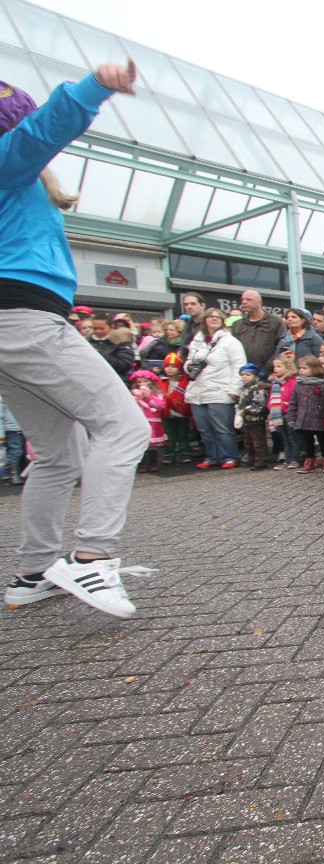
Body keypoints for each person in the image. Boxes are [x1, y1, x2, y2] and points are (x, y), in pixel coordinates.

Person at [0, 62, 149, 617]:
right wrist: (95, 87)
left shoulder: (23, 185)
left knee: (60, 454)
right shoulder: (9, 161)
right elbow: (40, 133)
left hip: (15, 326)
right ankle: (91, 558)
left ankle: (33, 572)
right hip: (24, 318)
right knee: (124, 426)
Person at [185, 308, 247, 470]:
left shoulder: (230, 341)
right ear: (204, 320)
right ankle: (212, 457)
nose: (214, 319)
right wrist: (189, 366)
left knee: (222, 428)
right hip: (198, 390)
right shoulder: (197, 340)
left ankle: (230, 456)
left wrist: (235, 390)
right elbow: (188, 361)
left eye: (217, 317)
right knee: (204, 428)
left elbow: (239, 366)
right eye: (210, 317)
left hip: (220, 389)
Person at [286, 355, 324, 474]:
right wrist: (291, 417)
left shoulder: (322, 384)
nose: (301, 370)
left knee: (323, 440)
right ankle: (309, 462)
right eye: (300, 368)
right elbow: (293, 402)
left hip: (319, 417)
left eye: (305, 368)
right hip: (304, 418)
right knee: (308, 441)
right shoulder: (298, 384)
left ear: (315, 369)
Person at [230, 290, 286, 371]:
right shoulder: (237, 325)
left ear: (259, 303)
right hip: (243, 373)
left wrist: (267, 370)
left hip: (268, 373)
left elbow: (281, 348)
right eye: (242, 299)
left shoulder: (276, 322)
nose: (244, 302)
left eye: (248, 299)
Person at [128, 370, 166, 474]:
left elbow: (160, 406)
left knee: (153, 444)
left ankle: (153, 462)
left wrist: (149, 397)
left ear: (151, 382)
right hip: (139, 421)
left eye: (145, 381)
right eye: (139, 382)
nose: (142, 384)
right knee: (141, 442)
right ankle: (142, 463)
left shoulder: (157, 393)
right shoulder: (134, 393)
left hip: (153, 421)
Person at [236, 363, 271, 471]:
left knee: (258, 442)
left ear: (255, 376)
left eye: (247, 375)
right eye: (242, 375)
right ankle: (251, 459)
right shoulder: (245, 388)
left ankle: (261, 461)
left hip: (256, 420)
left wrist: (244, 410)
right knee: (248, 442)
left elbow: (260, 405)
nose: (244, 377)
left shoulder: (258, 388)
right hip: (247, 420)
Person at [158, 353, 190, 464]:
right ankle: (169, 454)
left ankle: (185, 453)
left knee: (182, 434)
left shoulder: (183, 382)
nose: (170, 369)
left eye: (173, 367)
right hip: (166, 413)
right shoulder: (161, 382)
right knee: (169, 435)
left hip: (181, 413)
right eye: (167, 366)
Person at [267, 355, 298, 469]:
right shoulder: (275, 383)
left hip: (289, 414)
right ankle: (287, 459)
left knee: (293, 438)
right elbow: (271, 398)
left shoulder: (292, 382)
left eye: (279, 366)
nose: (275, 369)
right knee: (285, 439)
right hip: (277, 414)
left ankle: (295, 459)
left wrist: (284, 405)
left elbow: (293, 398)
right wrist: (271, 406)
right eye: (275, 366)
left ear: (288, 367)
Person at [88, 312, 135, 381]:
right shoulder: (86, 341)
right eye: (95, 328)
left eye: (101, 328)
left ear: (112, 327)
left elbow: (124, 365)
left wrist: (100, 353)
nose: (98, 331)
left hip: (113, 381)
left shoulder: (121, 342)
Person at [0, 394, 24, 485]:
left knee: (23, 452)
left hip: (23, 428)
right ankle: (14, 474)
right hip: (13, 430)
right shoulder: (3, 401)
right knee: (16, 451)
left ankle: (19, 472)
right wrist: (1, 434)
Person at [178, 291, 205, 357]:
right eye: (186, 304)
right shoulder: (187, 324)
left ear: (202, 305)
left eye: (193, 304)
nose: (189, 307)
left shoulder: (209, 323)